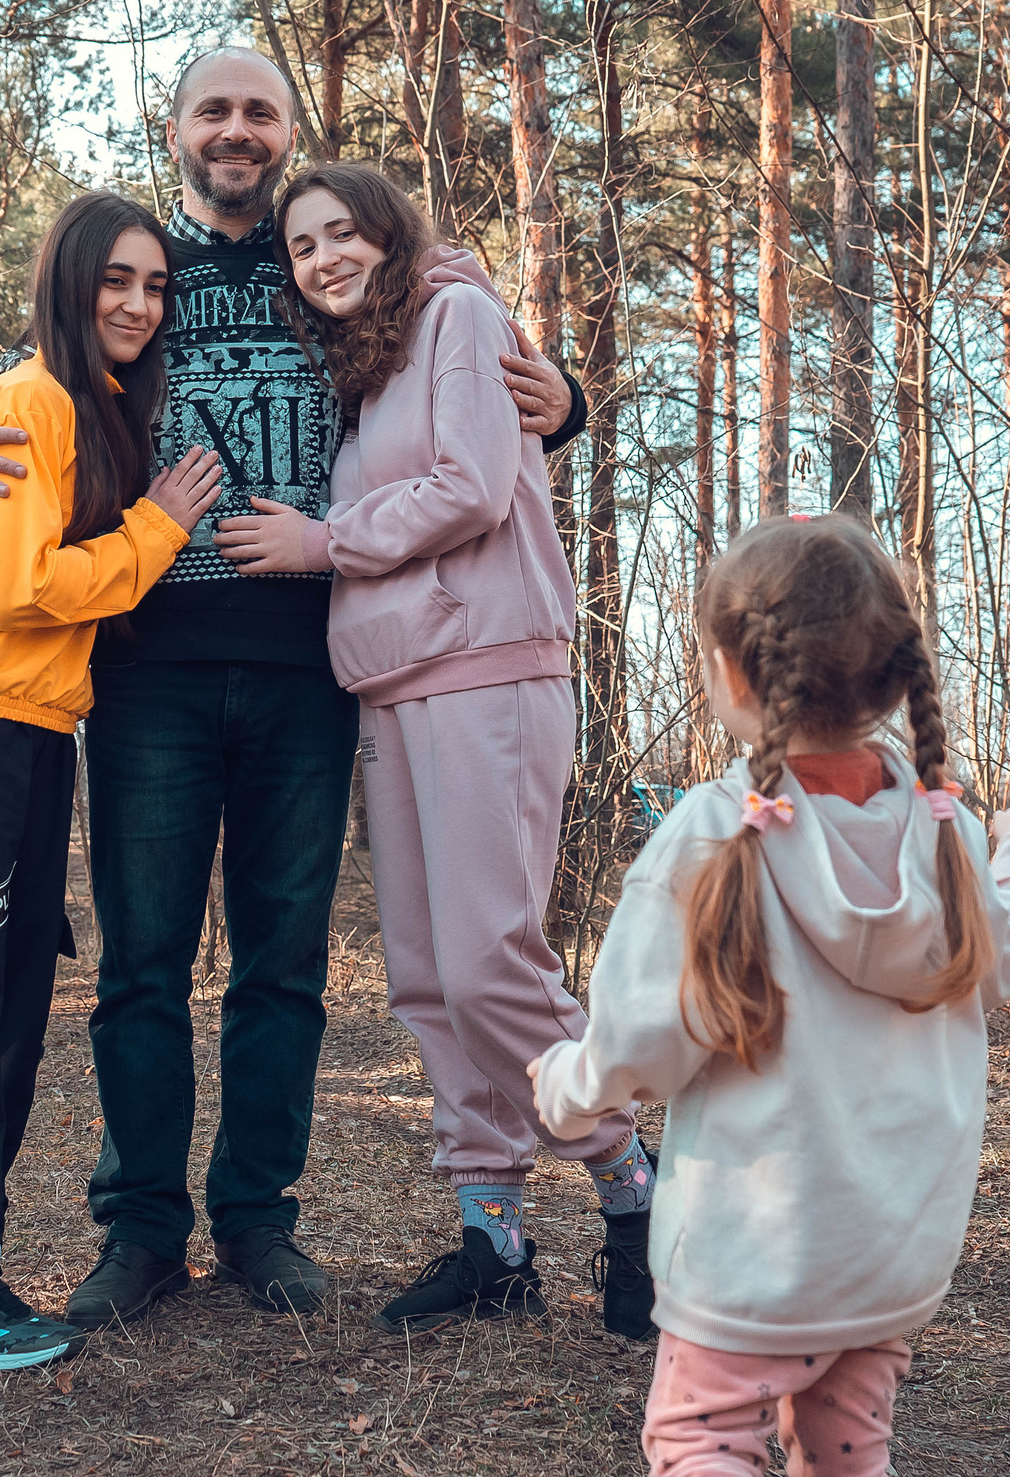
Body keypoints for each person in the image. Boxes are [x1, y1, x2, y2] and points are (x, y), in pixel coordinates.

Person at [0, 49, 590, 1330]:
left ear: (288, 134)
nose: (236, 130)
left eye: (259, 111)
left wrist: (570, 398)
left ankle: (259, 1221)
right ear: (176, 131)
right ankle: (142, 1228)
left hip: (308, 672)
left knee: (283, 967)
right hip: (146, 671)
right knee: (142, 966)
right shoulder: (135, 270)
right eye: (213, 109)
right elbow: (13, 399)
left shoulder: (336, 262)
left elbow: (469, 349)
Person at [215, 161, 657, 1338]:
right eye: (302, 249)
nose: (323, 261)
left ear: (389, 235)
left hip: (488, 667)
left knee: (488, 964)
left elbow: (469, 487)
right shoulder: (360, 370)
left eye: (342, 235)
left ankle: (638, 1195)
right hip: (389, 682)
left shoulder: (457, 314)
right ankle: (494, 1242)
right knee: (422, 973)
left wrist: (322, 542)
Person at [528, 514, 1010, 1474]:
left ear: (735, 673)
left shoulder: (711, 835)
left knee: (702, 1443)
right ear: (898, 673)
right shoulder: (946, 830)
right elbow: (1009, 948)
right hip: (891, 1259)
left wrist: (564, 1084)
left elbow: (640, 1042)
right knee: (848, 1450)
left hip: (749, 1262)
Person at [0, 191, 223, 1370]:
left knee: (10, 1006)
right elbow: (24, 589)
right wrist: (159, 531)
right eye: (113, 280)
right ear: (66, 290)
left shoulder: (90, 410)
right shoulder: (33, 403)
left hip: (25, 734)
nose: (135, 303)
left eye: (153, 284)